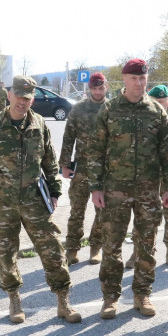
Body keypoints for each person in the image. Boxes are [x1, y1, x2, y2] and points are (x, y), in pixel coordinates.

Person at [0, 75, 81, 325]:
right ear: (10, 95)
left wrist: (54, 193)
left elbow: (49, 162)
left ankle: (63, 301)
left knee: (53, 250)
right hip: (2, 202)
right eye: (19, 97)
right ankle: (14, 299)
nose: (23, 102)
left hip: (35, 201)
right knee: (6, 253)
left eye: (28, 98)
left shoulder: (39, 124)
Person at [88, 59, 168, 318]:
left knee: (146, 245)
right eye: (134, 79)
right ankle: (110, 298)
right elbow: (94, 151)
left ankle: (142, 294)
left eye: (142, 79)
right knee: (112, 245)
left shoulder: (157, 112)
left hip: (149, 191)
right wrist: (96, 187)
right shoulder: (109, 110)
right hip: (115, 190)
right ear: (124, 80)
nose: (139, 84)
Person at [60, 72, 107, 265]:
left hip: (104, 171)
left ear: (106, 87)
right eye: (94, 88)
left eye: (101, 88)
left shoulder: (112, 109)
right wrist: (64, 164)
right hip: (82, 168)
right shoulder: (78, 109)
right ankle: (72, 249)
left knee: (102, 212)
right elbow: (68, 137)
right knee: (76, 211)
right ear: (89, 89)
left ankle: (95, 247)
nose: (97, 91)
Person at [136, 84, 168, 268]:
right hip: (147, 178)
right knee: (144, 217)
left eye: (162, 102)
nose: (158, 106)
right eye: (154, 102)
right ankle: (141, 252)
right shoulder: (142, 123)